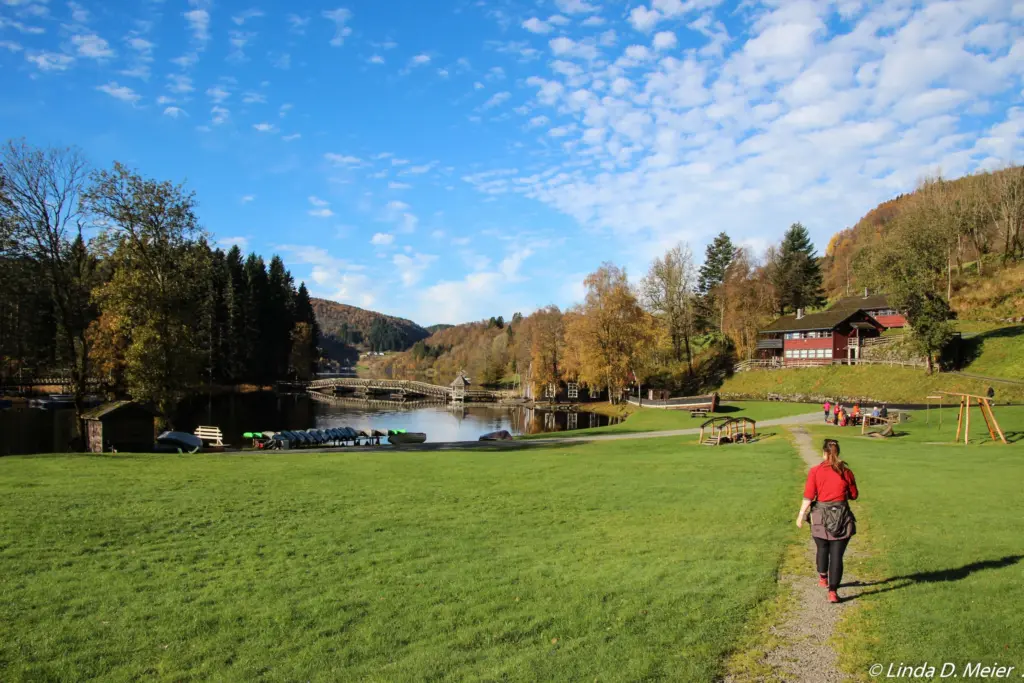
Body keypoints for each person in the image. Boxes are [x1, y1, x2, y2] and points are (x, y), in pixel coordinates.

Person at [796, 439, 858, 603]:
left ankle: (823, 577)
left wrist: (801, 515)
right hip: (842, 518)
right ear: (837, 453)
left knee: (822, 548)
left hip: (820, 517)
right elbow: (854, 495)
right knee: (837, 555)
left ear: (824, 453)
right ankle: (833, 592)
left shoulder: (815, 471)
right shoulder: (846, 472)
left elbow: (809, 496)